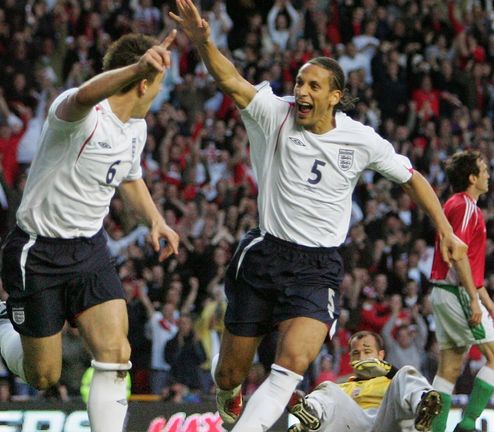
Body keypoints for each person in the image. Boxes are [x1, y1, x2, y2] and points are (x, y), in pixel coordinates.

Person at [170, 2, 468, 430]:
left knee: (290, 364)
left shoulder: (360, 138)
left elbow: (412, 178)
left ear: (336, 96)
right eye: (299, 83)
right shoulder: (275, 113)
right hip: (265, 255)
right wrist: (205, 43)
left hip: (318, 267)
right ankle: (227, 393)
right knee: (232, 372)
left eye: (313, 86)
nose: (302, 92)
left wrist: (445, 230)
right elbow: (230, 80)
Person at [0, 30, 180, 432]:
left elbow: (130, 177)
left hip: (89, 250)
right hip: (38, 252)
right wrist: (137, 65)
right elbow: (82, 95)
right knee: (44, 376)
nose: (160, 90)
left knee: (117, 352)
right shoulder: (79, 115)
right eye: (157, 81)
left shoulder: (135, 127)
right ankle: (0, 326)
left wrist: (155, 219)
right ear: (142, 81)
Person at [428, 151, 494, 432]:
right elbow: (458, 254)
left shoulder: (455, 204)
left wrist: (485, 297)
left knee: (449, 369)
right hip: (457, 293)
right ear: (472, 178)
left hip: (446, 290)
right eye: (484, 170)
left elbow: (470, 262)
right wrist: (475, 300)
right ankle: (468, 424)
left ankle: (435, 428)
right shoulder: (464, 206)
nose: (488, 175)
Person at [286, 331, 442, 432]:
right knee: (327, 388)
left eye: (367, 352)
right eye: (355, 353)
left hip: (387, 423)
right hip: (353, 424)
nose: (361, 357)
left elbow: (403, 382)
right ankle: (309, 414)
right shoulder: (342, 386)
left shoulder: (393, 380)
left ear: (381, 355)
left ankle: (424, 405)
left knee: (406, 373)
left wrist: (388, 370)